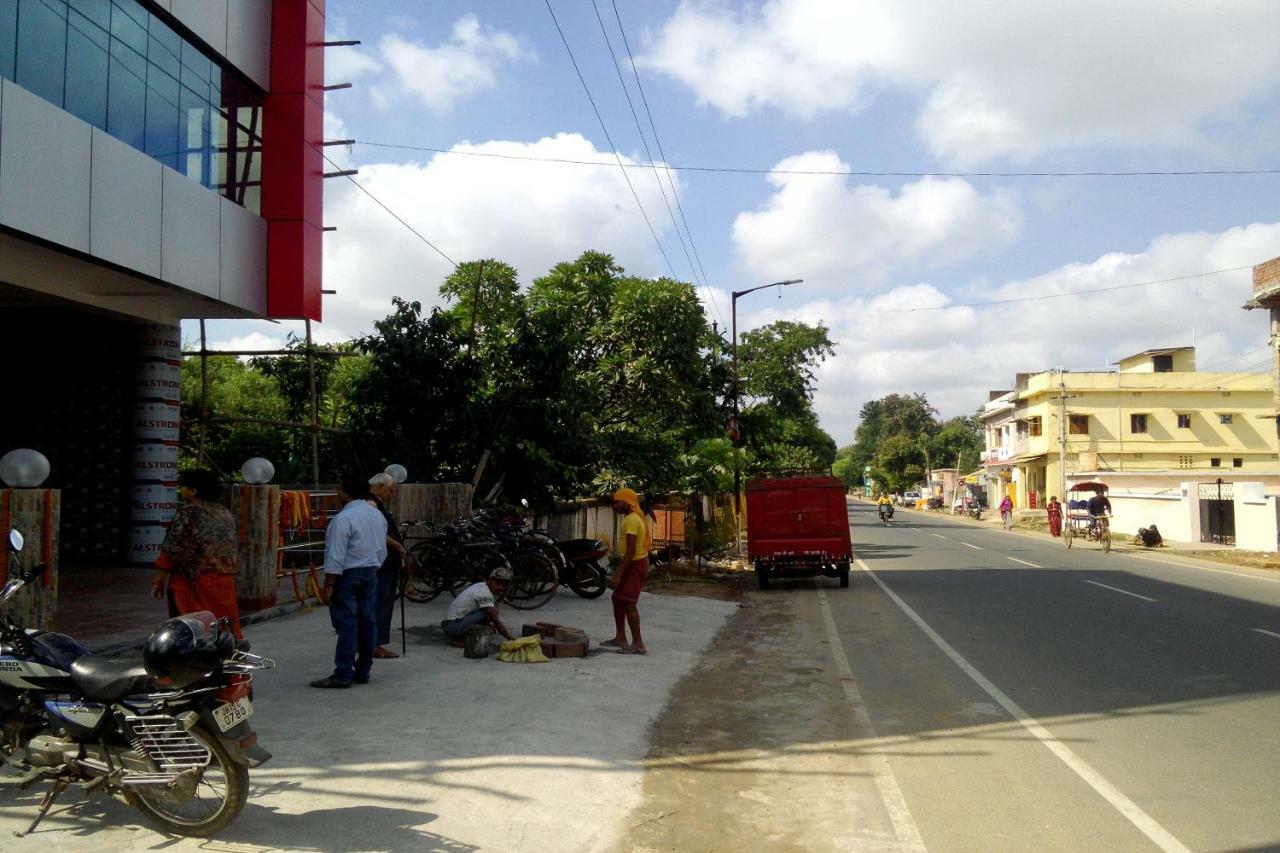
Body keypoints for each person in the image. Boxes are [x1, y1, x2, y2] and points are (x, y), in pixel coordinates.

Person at [311, 471, 387, 689]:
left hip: (349, 574)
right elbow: (381, 549)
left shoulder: (344, 519)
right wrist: (373, 566)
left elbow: (335, 554)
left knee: (347, 624)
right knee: (367, 621)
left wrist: (329, 584)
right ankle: (363, 669)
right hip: (370, 571)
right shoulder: (376, 515)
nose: (336, 492)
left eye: (339, 488)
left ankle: (343, 673)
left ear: (346, 492)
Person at [151, 469, 243, 641]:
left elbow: (173, 549)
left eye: (183, 486)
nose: (180, 490)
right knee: (223, 624)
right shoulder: (224, 513)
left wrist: (158, 579)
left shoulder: (189, 513)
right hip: (224, 578)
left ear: (193, 491)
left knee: (194, 627)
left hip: (195, 580)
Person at [602, 487, 651, 655]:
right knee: (617, 599)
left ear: (627, 502)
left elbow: (630, 550)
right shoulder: (635, 517)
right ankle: (620, 637)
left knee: (629, 602)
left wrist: (618, 574)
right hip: (634, 563)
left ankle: (638, 644)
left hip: (635, 564)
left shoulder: (631, 520)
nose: (615, 506)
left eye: (618, 502)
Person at [368, 472, 409, 659]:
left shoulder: (376, 503)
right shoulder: (371, 504)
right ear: (380, 487)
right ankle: (374, 643)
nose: (392, 494)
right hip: (381, 564)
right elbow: (378, 533)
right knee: (380, 603)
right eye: (390, 490)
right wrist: (398, 546)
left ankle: (372, 641)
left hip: (385, 563)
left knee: (381, 602)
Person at [441, 567, 515, 644]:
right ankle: (459, 638)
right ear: (490, 580)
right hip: (452, 627)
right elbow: (494, 618)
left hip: (450, 624)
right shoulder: (484, 593)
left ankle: (466, 635)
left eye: (504, 585)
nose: (500, 588)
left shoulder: (481, 585)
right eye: (498, 583)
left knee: (492, 607)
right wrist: (508, 636)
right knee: (488, 612)